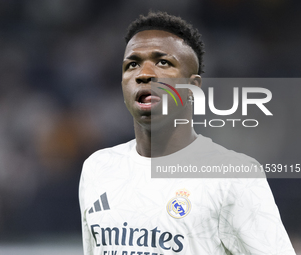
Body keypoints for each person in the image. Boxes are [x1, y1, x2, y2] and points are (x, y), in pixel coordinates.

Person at [79, 11, 295, 254]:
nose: (144, 74)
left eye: (163, 63)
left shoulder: (234, 176)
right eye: (132, 64)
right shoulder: (97, 168)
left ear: (192, 88)